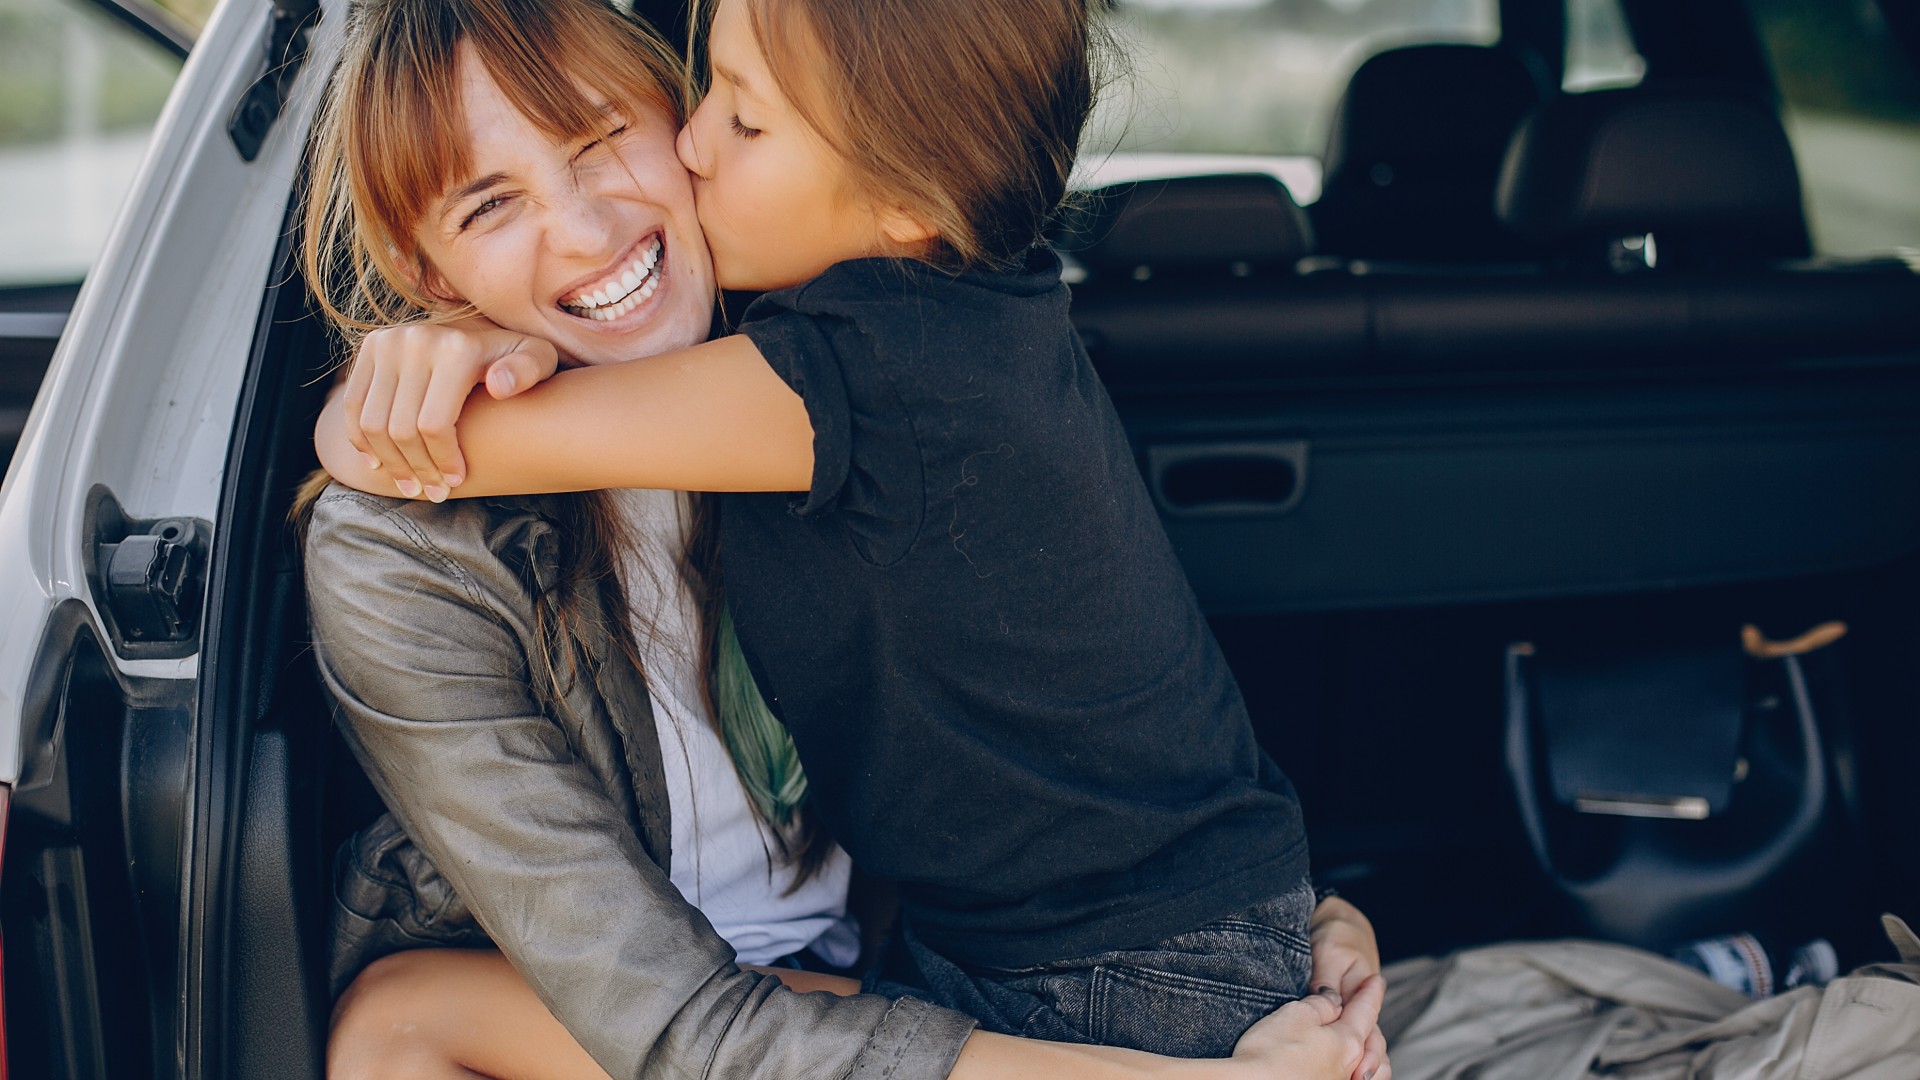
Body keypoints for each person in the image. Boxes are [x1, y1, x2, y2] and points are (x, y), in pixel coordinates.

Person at [300, 0, 1389, 1078]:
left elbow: (407, 449)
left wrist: (388, 403)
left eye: (607, 136)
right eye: (491, 206)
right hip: (779, 994)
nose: (592, 227)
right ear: (427, 268)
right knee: (399, 1018)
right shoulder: (406, 563)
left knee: (405, 1014)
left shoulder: (829, 368)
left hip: (976, 968)